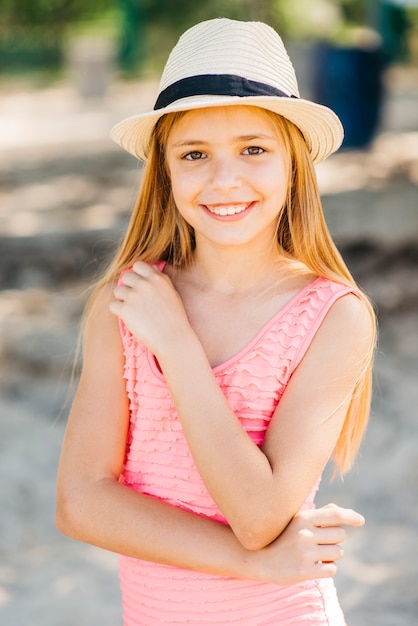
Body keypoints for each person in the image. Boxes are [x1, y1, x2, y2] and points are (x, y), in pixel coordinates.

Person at [56, 18, 376, 625]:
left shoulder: (332, 316)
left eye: (254, 149)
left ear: (292, 166)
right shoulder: (126, 303)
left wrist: (176, 345)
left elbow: (258, 517)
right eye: (194, 154)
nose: (224, 179)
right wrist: (255, 563)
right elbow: (80, 502)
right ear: (166, 172)